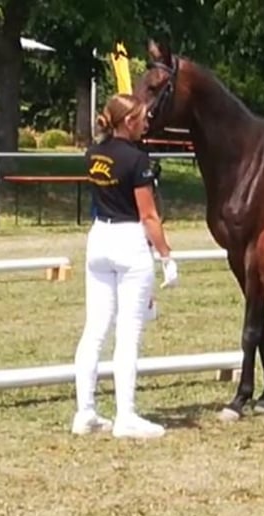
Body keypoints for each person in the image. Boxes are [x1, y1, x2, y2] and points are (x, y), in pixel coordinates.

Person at [71, 93, 179, 439]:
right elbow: (148, 215)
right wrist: (166, 255)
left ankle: (85, 411)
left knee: (95, 329)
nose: (147, 123)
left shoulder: (94, 152)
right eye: (143, 118)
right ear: (129, 121)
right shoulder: (137, 159)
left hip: (99, 237)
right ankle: (126, 415)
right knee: (128, 332)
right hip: (129, 239)